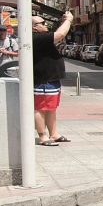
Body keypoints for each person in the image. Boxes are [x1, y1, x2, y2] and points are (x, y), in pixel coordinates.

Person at [32, 11, 74, 145]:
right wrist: (69, 20)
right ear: (34, 27)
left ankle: (54, 134)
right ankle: (42, 136)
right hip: (43, 80)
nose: (46, 25)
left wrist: (62, 22)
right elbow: (60, 34)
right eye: (42, 23)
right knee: (40, 108)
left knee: (51, 108)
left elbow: (57, 33)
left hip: (51, 80)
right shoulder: (36, 37)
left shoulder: (42, 37)